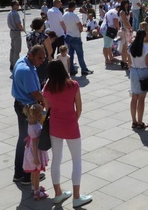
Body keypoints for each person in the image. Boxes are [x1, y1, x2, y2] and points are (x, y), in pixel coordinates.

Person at [42, 60, 92, 208]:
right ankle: (76, 197)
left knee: (56, 159)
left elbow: (47, 106)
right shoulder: (73, 85)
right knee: (76, 160)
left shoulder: (47, 88)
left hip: (55, 126)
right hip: (71, 126)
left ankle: (58, 194)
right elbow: (79, 107)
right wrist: (73, 120)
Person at [12, 45, 47, 186]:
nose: (42, 61)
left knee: (23, 139)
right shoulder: (26, 70)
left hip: (21, 105)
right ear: (31, 55)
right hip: (27, 109)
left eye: (44, 58)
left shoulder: (22, 61)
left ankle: (18, 173)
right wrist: (48, 103)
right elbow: (35, 94)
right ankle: (27, 175)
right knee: (29, 141)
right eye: (39, 58)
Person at [22, 103, 50, 200]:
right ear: (37, 115)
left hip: (30, 151)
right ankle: (37, 193)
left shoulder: (31, 122)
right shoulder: (35, 128)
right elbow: (34, 144)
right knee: (36, 173)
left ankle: (33, 188)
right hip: (35, 152)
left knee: (33, 173)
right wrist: (36, 158)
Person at [129, 29, 148, 130]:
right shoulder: (146, 48)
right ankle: (140, 122)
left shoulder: (130, 48)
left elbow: (129, 63)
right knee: (141, 99)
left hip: (133, 71)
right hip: (143, 72)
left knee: (134, 97)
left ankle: (133, 121)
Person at [64, 1, 93, 76]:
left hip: (68, 35)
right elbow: (80, 26)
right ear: (74, 7)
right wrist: (80, 31)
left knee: (70, 54)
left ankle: (71, 69)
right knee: (80, 54)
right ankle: (84, 69)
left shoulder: (64, 15)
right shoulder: (74, 16)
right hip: (75, 36)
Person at [26, 17, 52, 84]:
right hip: (41, 61)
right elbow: (50, 51)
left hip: (30, 59)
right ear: (41, 26)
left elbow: (28, 46)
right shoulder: (44, 36)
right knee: (42, 80)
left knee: (32, 80)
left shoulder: (29, 35)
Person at [7, 1, 26, 72]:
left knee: (12, 48)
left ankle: (12, 63)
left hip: (12, 31)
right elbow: (18, 23)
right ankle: (16, 64)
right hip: (16, 31)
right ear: (13, 6)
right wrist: (22, 29)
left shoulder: (9, 13)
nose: (18, 6)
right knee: (17, 49)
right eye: (17, 5)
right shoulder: (15, 13)